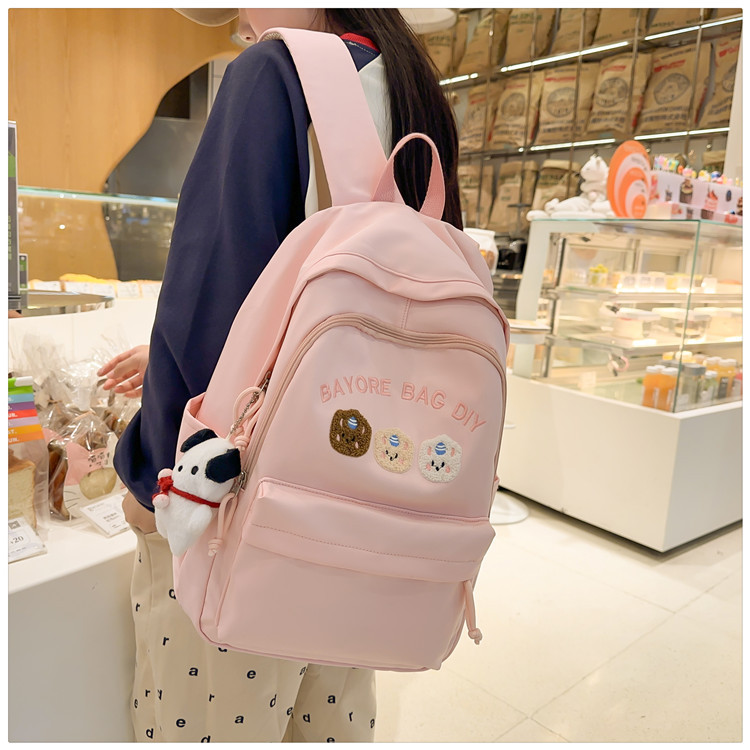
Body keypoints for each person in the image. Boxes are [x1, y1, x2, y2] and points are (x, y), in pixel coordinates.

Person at [101, 7, 463, 742]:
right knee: (327, 722)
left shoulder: (272, 74)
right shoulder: (414, 88)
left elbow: (206, 310)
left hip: (243, 520)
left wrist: (151, 472)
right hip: (371, 512)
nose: (238, 20)